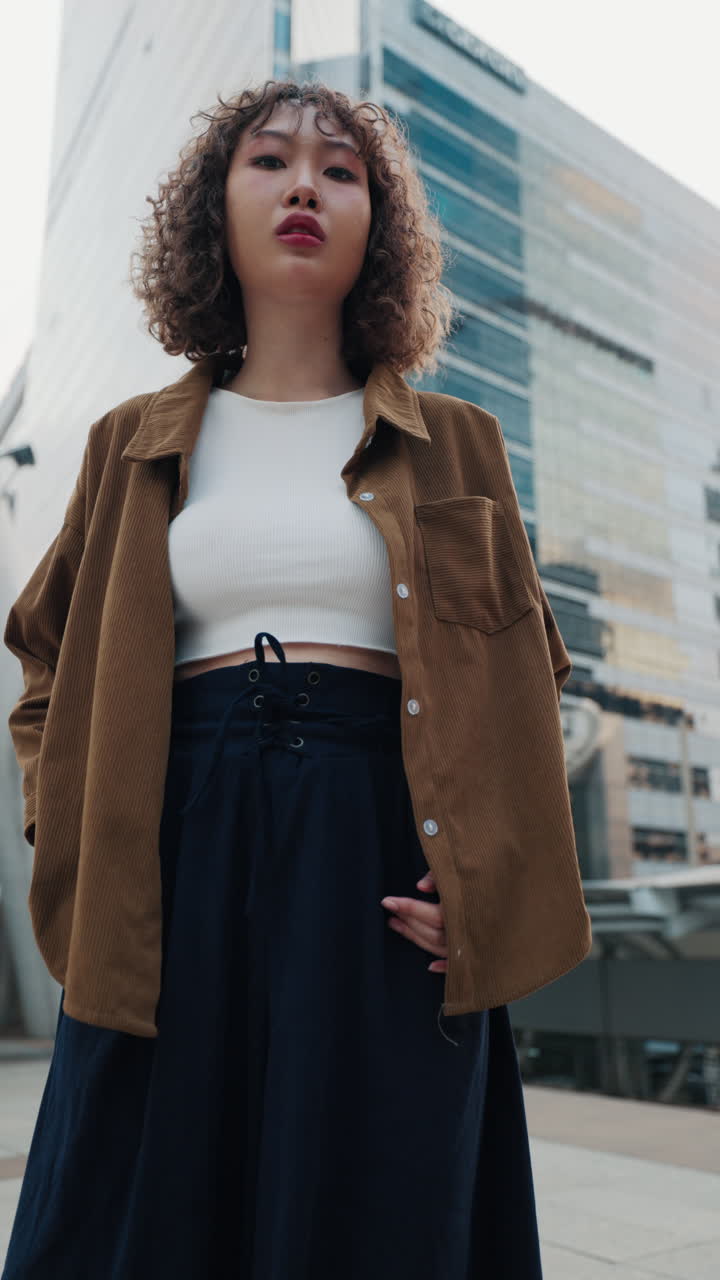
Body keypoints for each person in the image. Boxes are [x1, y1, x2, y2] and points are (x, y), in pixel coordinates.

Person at [2, 77, 591, 1278]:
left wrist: (487, 886)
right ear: (214, 211)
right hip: (170, 856)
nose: (306, 184)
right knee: (148, 1205)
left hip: (381, 854)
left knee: (381, 1206)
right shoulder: (134, 440)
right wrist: (73, 831)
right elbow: (47, 661)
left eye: (342, 170)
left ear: (381, 226)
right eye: (269, 160)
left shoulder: (459, 442)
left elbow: (528, 679)